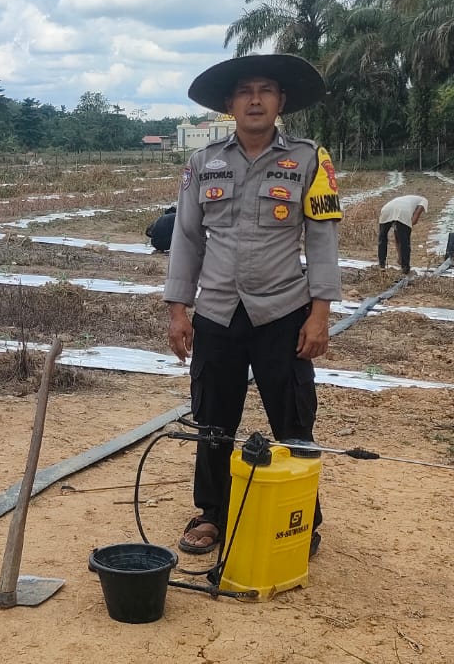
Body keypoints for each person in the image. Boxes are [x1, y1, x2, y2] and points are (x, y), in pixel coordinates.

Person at [163, 54, 341, 558]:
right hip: (217, 311)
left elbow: (323, 240)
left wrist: (320, 313)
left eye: (266, 90)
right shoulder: (204, 162)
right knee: (213, 418)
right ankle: (213, 513)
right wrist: (179, 309)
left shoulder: (308, 159)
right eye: (246, 91)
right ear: (229, 104)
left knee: (293, 419)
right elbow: (188, 238)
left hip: (283, 312)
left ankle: (300, 517)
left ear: (281, 102)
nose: (256, 99)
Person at [377, 194, 428, 273]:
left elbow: (397, 238)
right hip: (403, 211)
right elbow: (415, 218)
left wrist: (400, 256)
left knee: (382, 238)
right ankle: (405, 268)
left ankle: (381, 265)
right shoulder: (424, 200)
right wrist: (407, 227)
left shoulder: (405, 199)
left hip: (386, 209)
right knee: (405, 241)